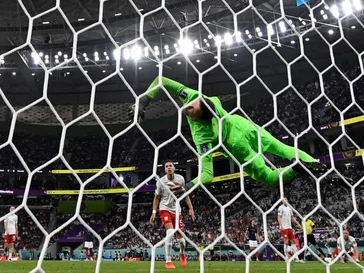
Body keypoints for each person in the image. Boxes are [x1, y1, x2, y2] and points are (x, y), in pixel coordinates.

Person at [134, 77, 325, 187]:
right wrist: (143, 102)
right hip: (241, 124)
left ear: (199, 119)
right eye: (191, 105)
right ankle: (312, 164)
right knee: (282, 148)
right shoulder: (194, 96)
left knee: (270, 178)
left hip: (235, 146)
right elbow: (162, 80)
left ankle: (299, 167)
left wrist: (188, 186)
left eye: (192, 109)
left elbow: (208, 174)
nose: (188, 107)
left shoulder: (202, 136)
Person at [151, 160, 195, 268]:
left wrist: (191, 207)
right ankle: (168, 261)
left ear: (174, 168)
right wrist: (153, 212)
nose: (169, 167)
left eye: (171, 166)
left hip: (177, 210)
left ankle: (182, 254)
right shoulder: (160, 182)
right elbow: (156, 198)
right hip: (164, 208)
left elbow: (185, 194)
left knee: (181, 240)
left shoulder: (180, 179)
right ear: (165, 169)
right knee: (170, 232)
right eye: (166, 166)